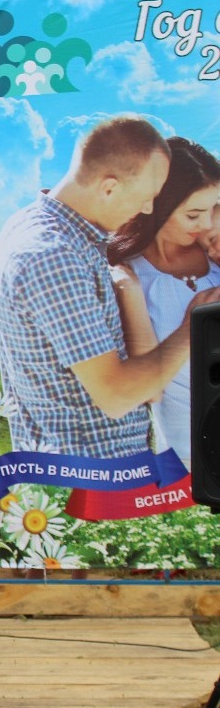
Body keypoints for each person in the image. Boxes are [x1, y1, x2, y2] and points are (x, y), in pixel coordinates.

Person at [0, 116, 220, 459]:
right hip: (91, 470)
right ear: (109, 187)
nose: (148, 209)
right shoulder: (53, 256)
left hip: (104, 466)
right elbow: (117, 395)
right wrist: (192, 327)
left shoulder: (55, 233)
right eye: (147, 197)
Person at [106, 137, 220, 468]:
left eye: (213, 208)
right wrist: (130, 294)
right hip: (190, 456)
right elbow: (149, 391)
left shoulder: (215, 253)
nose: (205, 224)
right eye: (194, 214)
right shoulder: (127, 276)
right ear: (155, 206)